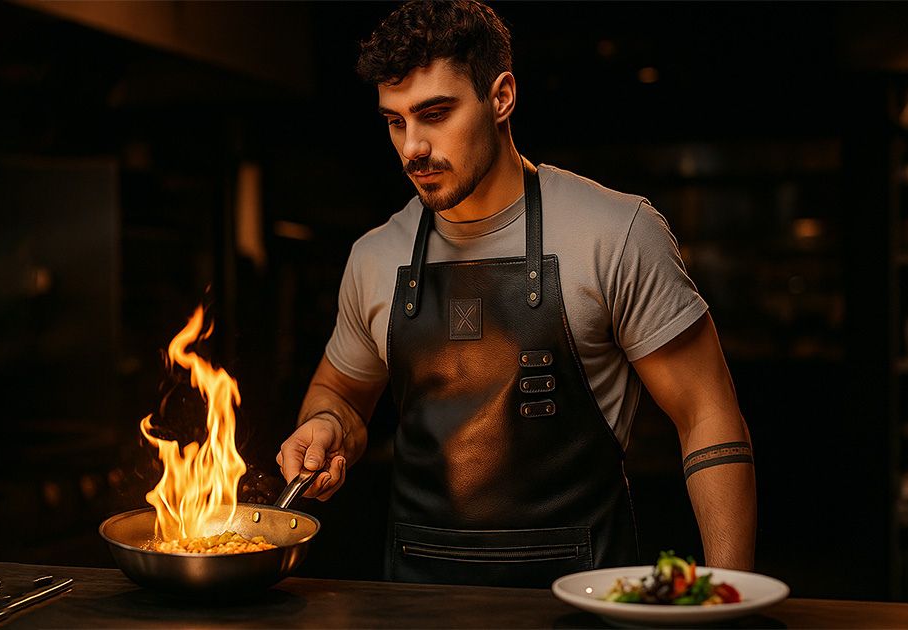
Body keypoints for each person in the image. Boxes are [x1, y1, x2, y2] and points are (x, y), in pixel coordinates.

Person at [277, 0, 755, 588]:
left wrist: (732, 594)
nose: (411, 148)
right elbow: (341, 395)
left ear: (501, 97)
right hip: (415, 600)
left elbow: (707, 413)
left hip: (583, 598)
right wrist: (326, 424)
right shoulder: (376, 257)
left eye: (435, 114)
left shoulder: (615, 232)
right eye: (395, 121)